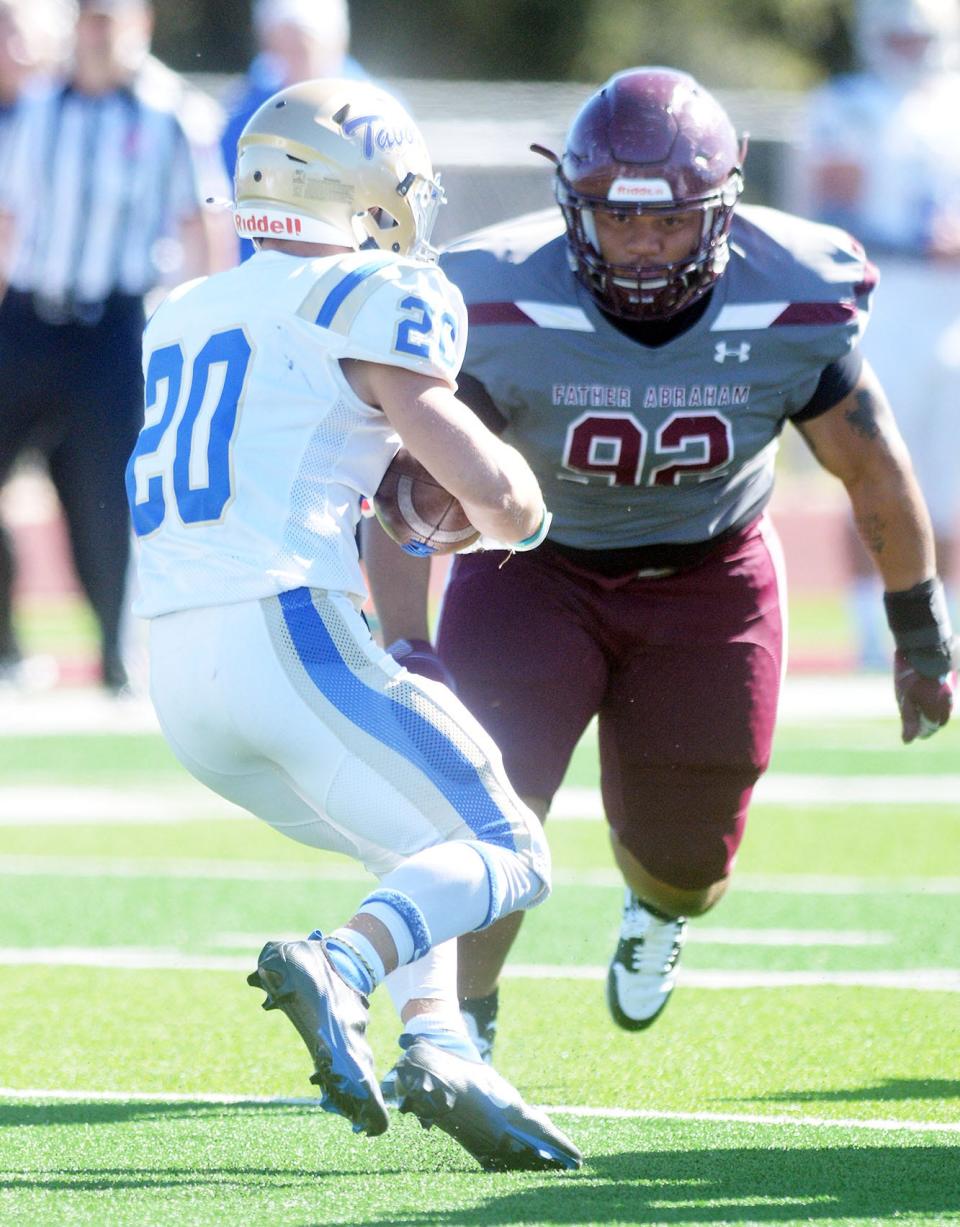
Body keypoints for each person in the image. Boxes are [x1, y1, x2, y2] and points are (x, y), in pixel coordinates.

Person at [363, 66, 956, 1064]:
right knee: (484, 810)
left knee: (688, 865)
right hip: (533, 572)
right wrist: (408, 646)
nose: (643, 244)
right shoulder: (493, 296)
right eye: (617, 219)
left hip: (710, 579)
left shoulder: (793, 291)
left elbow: (874, 470)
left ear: (722, 210)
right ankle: (461, 1025)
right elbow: (399, 495)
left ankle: (657, 911)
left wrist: (920, 629)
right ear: (571, 207)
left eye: (671, 222)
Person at [125, 76, 580, 1172]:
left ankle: (444, 1043)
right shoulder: (365, 292)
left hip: (177, 666)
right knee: (509, 847)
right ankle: (343, 963)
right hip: (287, 627)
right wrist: (513, 504)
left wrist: (400, 500)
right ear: (360, 191)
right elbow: (490, 487)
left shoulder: (187, 308)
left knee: (424, 844)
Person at [0, 0, 231, 693]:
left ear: (140, 28)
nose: (96, 37)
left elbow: (201, 225)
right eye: (88, 21)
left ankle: (116, 658)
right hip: (29, 315)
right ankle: (7, 647)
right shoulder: (37, 107)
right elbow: (9, 216)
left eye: (109, 21)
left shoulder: (173, 115)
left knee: (108, 494)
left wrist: (208, 320)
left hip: (114, 326)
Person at [803, 0, 960, 667]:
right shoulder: (846, 106)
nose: (909, 46)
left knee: (950, 483)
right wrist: (925, 246)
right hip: (883, 304)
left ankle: (943, 626)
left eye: (919, 33)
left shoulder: (950, 104)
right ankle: (873, 631)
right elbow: (837, 214)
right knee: (874, 466)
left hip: (950, 313)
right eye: (898, 33)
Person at [220, 0, 367, 261]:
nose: (292, 56)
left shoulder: (372, 109)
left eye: (303, 45)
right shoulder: (246, 111)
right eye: (283, 44)